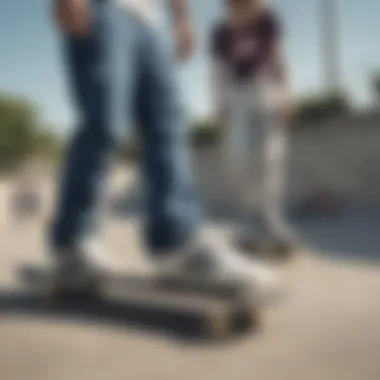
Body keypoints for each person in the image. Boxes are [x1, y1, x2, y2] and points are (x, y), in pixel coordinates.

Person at [49, 0, 278, 294]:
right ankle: (72, 246)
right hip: (102, 9)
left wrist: (182, 18)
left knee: (168, 122)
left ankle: (177, 244)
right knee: (104, 121)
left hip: (150, 21)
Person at [210, 0, 297, 258]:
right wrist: (219, 102)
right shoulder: (220, 31)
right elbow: (218, 70)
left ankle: (272, 224)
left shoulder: (267, 20)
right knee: (239, 158)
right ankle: (250, 223)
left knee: (271, 158)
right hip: (237, 96)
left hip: (266, 90)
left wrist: (285, 95)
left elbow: (279, 58)